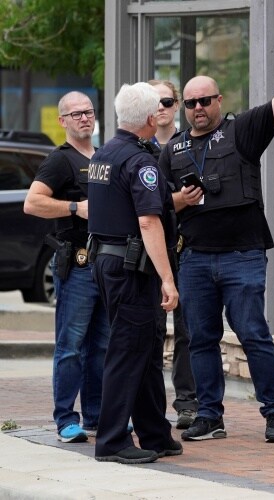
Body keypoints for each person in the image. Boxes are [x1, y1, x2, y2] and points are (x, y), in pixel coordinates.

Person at [158, 47, 274, 443]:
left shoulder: (242, 130)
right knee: (201, 339)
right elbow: (157, 203)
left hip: (243, 255)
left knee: (253, 334)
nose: (198, 108)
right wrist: (181, 199)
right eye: (190, 103)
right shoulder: (172, 150)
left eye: (205, 100)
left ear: (219, 100)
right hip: (195, 258)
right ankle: (210, 416)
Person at [87, 82, 182, 464]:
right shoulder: (140, 162)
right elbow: (148, 221)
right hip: (131, 269)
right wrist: (167, 279)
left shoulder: (104, 153)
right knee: (128, 352)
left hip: (109, 264)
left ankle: (155, 433)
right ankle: (111, 441)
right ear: (149, 118)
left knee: (142, 350)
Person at [23, 91, 110, 443]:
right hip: (76, 265)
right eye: (76, 114)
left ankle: (96, 416)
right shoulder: (59, 160)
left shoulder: (103, 156)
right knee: (71, 345)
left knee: (100, 346)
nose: (84, 118)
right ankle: (65, 419)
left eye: (88, 112)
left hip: (105, 263)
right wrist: (75, 208)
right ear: (62, 121)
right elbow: (32, 202)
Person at [148, 78, 198, 430]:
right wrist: (178, 200)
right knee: (150, 330)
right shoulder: (139, 149)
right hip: (151, 251)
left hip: (187, 248)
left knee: (188, 330)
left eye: (167, 101)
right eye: (154, 103)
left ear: (176, 105)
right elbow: (150, 206)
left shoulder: (189, 145)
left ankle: (187, 403)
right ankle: (150, 406)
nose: (161, 108)